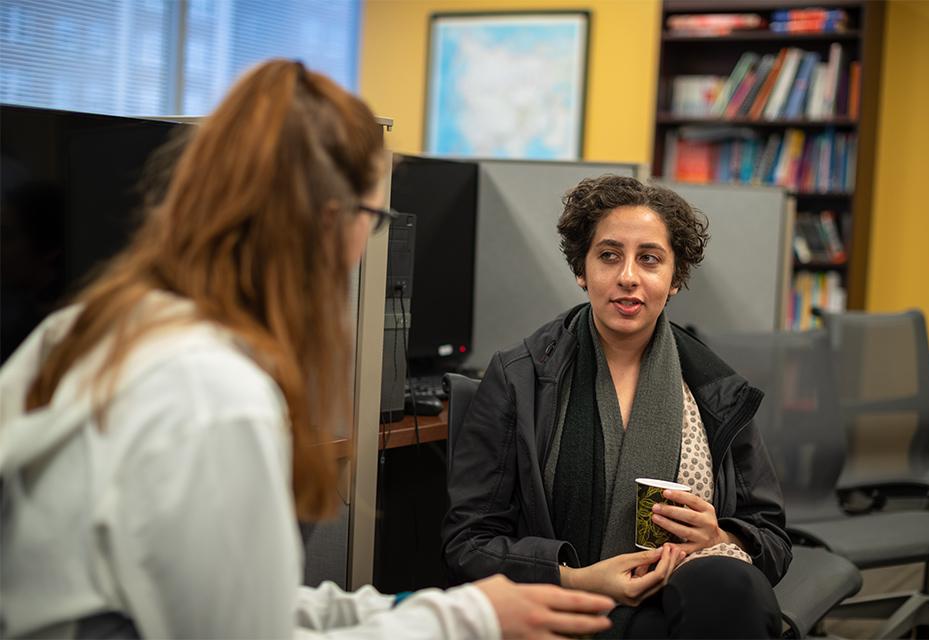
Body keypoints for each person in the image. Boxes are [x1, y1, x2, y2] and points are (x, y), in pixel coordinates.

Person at [0, 60, 617, 640]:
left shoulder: (92, 327)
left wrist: (438, 607)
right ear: (329, 220)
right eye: (374, 218)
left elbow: (228, 598)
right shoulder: (211, 389)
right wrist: (468, 621)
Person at [442, 175, 792, 638]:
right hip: (565, 604)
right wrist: (577, 576)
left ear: (675, 278)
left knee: (731, 586)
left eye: (649, 259)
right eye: (609, 256)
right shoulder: (519, 377)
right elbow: (469, 542)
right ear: (581, 270)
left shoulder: (714, 388)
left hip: (686, 602)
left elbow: (772, 540)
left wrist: (720, 537)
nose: (628, 276)